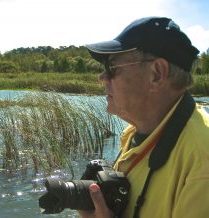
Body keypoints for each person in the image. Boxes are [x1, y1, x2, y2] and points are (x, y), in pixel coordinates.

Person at [78, 17, 209, 218]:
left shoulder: (201, 163)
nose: (102, 77)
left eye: (112, 67)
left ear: (156, 74)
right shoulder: (135, 130)